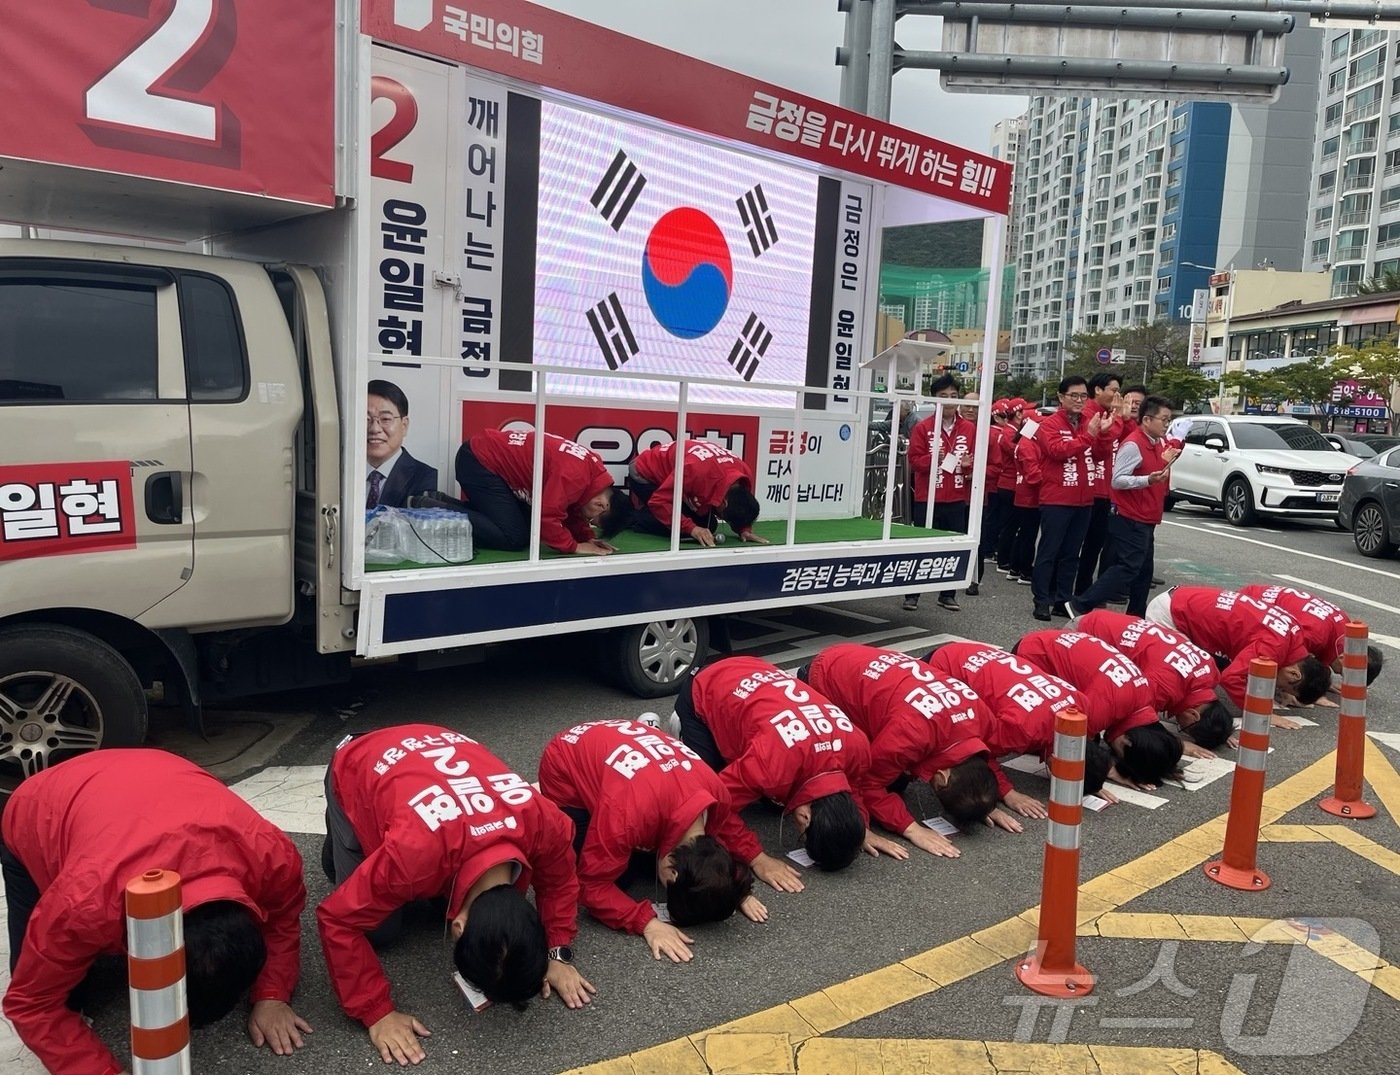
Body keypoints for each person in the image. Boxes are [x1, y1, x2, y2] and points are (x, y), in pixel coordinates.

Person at [2, 750, 309, 1075]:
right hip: (41, 803)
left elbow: (282, 919)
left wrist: (272, 994)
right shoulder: (84, 903)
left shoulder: (272, 857)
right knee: (65, 994)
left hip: (155, 775)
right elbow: (33, 1003)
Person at [318, 726, 591, 1066]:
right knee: (380, 930)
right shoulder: (412, 856)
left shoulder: (545, 823)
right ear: (458, 927)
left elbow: (561, 882)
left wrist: (558, 952)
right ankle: (340, 837)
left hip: (433, 758)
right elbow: (337, 919)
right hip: (358, 762)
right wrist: (376, 1013)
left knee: (422, 896)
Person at [536, 719, 767, 965]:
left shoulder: (718, 795)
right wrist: (646, 922)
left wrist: (728, 889)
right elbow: (591, 885)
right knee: (620, 879)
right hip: (565, 763)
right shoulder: (629, 819)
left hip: (628, 755)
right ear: (671, 870)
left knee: (636, 859)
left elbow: (716, 849)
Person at [672, 657, 907, 871]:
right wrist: (756, 857)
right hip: (706, 685)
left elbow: (852, 785)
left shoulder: (857, 746)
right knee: (700, 793)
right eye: (802, 835)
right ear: (805, 817)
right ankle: (678, 734)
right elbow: (716, 804)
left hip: (757, 675)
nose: (798, 831)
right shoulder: (771, 765)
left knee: (774, 801)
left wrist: (857, 828)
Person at [796, 643, 1019, 854]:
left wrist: (983, 801)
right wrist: (910, 828)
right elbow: (867, 783)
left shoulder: (980, 716)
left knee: (896, 780)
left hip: (858, 661)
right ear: (941, 777)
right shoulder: (911, 734)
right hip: (824, 675)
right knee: (835, 773)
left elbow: (984, 757)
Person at [924, 640, 1115, 812]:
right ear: (1056, 763)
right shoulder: (1023, 728)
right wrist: (1008, 793)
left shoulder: (1080, 706)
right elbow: (981, 751)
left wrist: (1093, 779)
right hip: (944, 666)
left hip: (976, 653)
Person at [1012, 629, 1183, 789]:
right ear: (1128, 742)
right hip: (1031, 655)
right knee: (1040, 735)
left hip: (1050, 642)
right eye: (1123, 758)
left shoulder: (1145, 696)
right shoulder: (1103, 708)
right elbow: (1060, 744)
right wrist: (1107, 771)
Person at [1144, 586, 1333, 719]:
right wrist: (1261, 714)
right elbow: (1231, 678)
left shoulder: (1294, 633)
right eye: (1284, 688)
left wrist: (1292, 690)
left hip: (1184, 598)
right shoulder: (1273, 647)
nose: (1279, 690)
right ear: (1294, 673)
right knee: (1182, 674)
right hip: (1171, 614)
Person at [1069, 395, 1180, 617]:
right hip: (1129, 515)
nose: (1167, 425)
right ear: (1147, 420)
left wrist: (1164, 463)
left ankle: (1136, 615)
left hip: (1147, 515)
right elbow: (1117, 480)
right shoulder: (1133, 444)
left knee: (1144, 571)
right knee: (1129, 567)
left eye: (1169, 420)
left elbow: (1155, 474)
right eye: (1164, 419)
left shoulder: (1157, 443)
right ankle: (1081, 603)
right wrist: (1148, 479)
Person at [1073, 608, 1232, 752]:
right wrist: (1177, 744)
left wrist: (1220, 730)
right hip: (1081, 634)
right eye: (1185, 729)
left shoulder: (1210, 670)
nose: (1180, 726)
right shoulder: (1163, 686)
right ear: (1193, 715)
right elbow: (1126, 720)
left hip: (1104, 622)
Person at [454, 428, 631, 555]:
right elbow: (545, 518)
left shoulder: (592, 471)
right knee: (513, 538)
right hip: (478, 461)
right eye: (592, 521)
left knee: (522, 528)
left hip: (485, 456)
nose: (587, 521)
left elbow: (569, 508)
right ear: (601, 505)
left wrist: (586, 538)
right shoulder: (573, 476)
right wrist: (574, 547)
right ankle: (434, 508)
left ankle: (443, 503)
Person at [1029, 376, 1114, 621]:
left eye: (1083, 396)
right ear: (1061, 397)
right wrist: (1088, 436)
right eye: (1074, 396)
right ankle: (1041, 600)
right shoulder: (1050, 423)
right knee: (1049, 551)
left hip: (1083, 499)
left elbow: (1100, 456)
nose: (1079, 400)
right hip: (1056, 498)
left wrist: (1104, 435)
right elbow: (1056, 452)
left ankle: (1062, 600)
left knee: (1071, 554)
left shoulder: (1090, 421)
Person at [1236, 583, 1384, 699]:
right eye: (1343, 673)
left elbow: (1318, 659)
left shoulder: (1343, 627)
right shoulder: (1313, 635)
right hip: (1249, 604)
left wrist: (1322, 683)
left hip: (1259, 597)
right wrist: (1292, 689)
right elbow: (1284, 659)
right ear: (1343, 658)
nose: (1338, 674)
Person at [905, 374, 975, 611]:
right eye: (943, 396)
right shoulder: (923, 427)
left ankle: (947, 593)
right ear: (934, 399)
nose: (949, 400)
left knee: (953, 545)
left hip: (956, 496)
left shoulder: (969, 428)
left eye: (954, 396)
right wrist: (934, 459)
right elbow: (914, 461)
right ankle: (912, 593)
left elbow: (977, 463)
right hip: (927, 496)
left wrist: (968, 466)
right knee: (921, 546)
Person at [629, 438, 768, 547]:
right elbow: (658, 501)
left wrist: (744, 529)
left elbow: (741, 502)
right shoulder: (695, 471)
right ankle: (631, 517)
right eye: (725, 518)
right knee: (684, 531)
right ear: (724, 503)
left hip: (678, 477)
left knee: (708, 526)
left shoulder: (743, 475)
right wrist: (692, 529)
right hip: (644, 474)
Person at [1074, 372, 1123, 596]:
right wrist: (1119, 419)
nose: (1117, 395)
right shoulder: (1087, 414)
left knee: (1094, 545)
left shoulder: (1107, 413)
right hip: (1087, 489)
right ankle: (1066, 591)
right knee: (1076, 545)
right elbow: (1095, 450)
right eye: (1113, 390)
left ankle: (1083, 589)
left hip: (1104, 490)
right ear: (1098, 390)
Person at [967, 398, 1015, 596]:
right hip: (949, 492)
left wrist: (975, 472)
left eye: (975, 406)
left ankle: (974, 580)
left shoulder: (988, 433)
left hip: (981, 492)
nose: (970, 409)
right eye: (967, 405)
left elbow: (996, 466)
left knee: (979, 532)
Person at [367, 379, 439, 509]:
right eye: (365, 419)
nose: (374, 429)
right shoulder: (339, 474)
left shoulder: (425, 478)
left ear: (404, 425)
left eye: (385, 419)